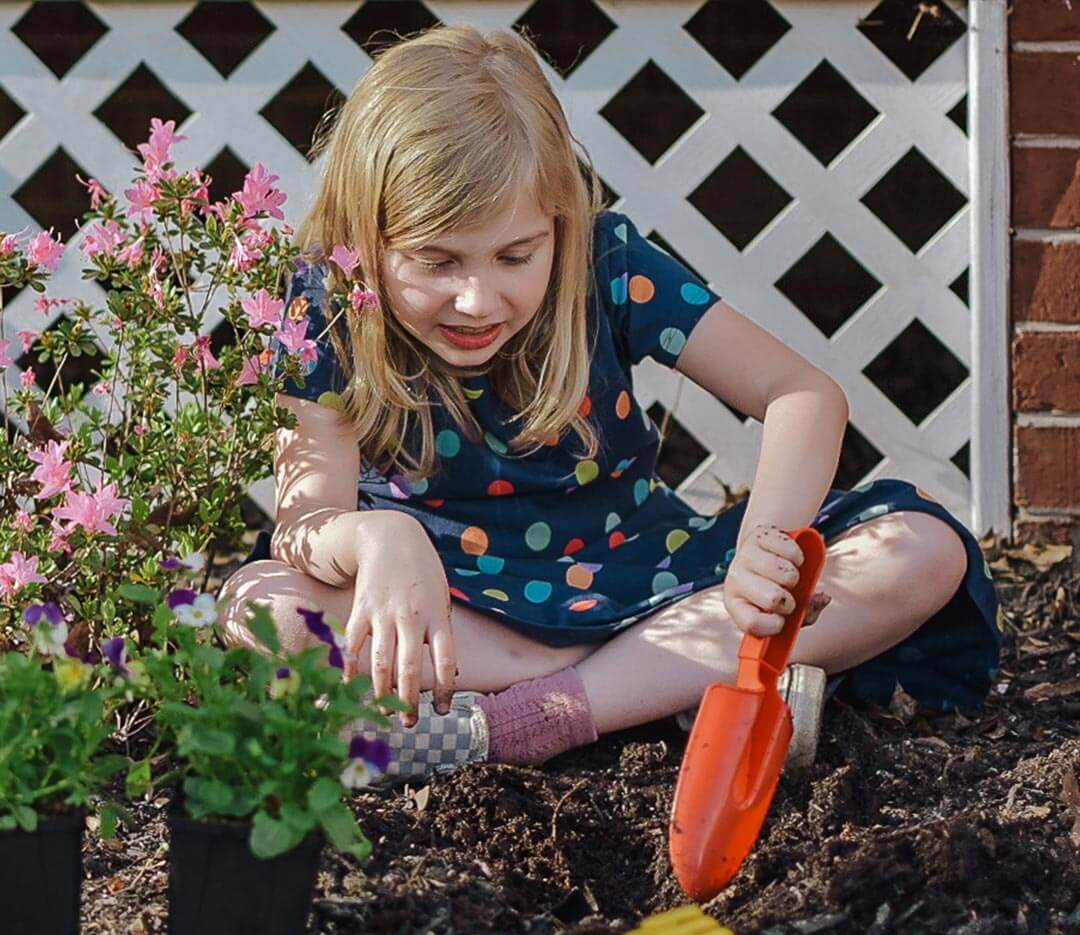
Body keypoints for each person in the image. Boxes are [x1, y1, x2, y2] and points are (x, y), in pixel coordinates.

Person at [218, 25, 1001, 785]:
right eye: (435, 260)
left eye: (515, 255)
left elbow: (802, 393)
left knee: (922, 551)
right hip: (455, 603)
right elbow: (302, 523)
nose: (476, 297)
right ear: (366, 233)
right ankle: (664, 688)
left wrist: (764, 547)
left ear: (558, 223)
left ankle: (534, 719)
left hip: (647, 573)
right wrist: (377, 538)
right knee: (260, 606)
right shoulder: (323, 305)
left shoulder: (607, 264)